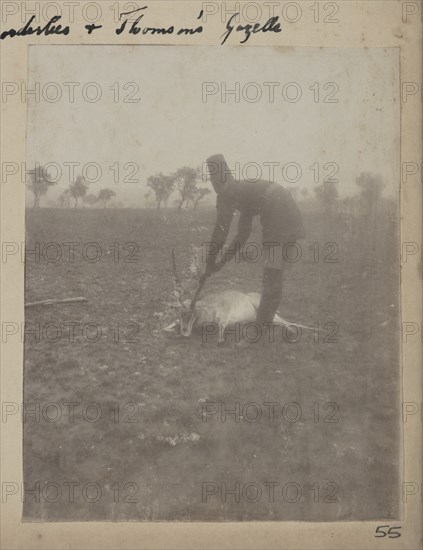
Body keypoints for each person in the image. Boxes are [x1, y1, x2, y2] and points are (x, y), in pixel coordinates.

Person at [204, 154, 305, 343]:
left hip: (279, 215)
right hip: (286, 210)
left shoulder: (228, 192)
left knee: (272, 277)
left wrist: (210, 260)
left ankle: (257, 335)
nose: (213, 184)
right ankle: (262, 330)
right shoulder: (240, 191)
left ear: (219, 179)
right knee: (274, 275)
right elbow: (242, 235)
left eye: (213, 179)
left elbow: (221, 231)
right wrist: (220, 263)